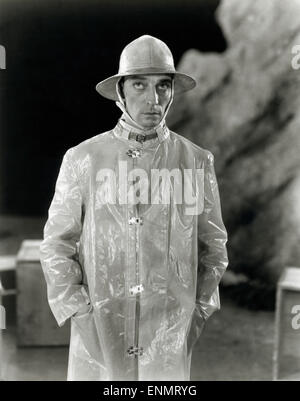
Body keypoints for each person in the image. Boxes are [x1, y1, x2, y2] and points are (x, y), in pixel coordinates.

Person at [40, 34, 229, 381]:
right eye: (139, 85)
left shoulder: (196, 161)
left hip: (170, 328)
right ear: (121, 92)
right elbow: (56, 243)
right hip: (101, 323)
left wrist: (196, 311)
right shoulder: (84, 159)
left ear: (173, 92)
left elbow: (214, 247)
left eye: (163, 86)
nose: (152, 99)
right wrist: (80, 311)